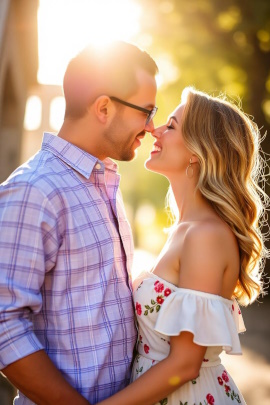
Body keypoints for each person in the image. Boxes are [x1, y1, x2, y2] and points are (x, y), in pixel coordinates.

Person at [0, 41, 158, 404]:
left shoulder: (104, 183)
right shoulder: (34, 191)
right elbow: (4, 326)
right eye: (146, 111)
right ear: (104, 107)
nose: (151, 127)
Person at [97, 87, 268, 405]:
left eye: (171, 125)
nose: (154, 130)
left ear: (197, 151)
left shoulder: (206, 235)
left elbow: (186, 364)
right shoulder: (185, 230)